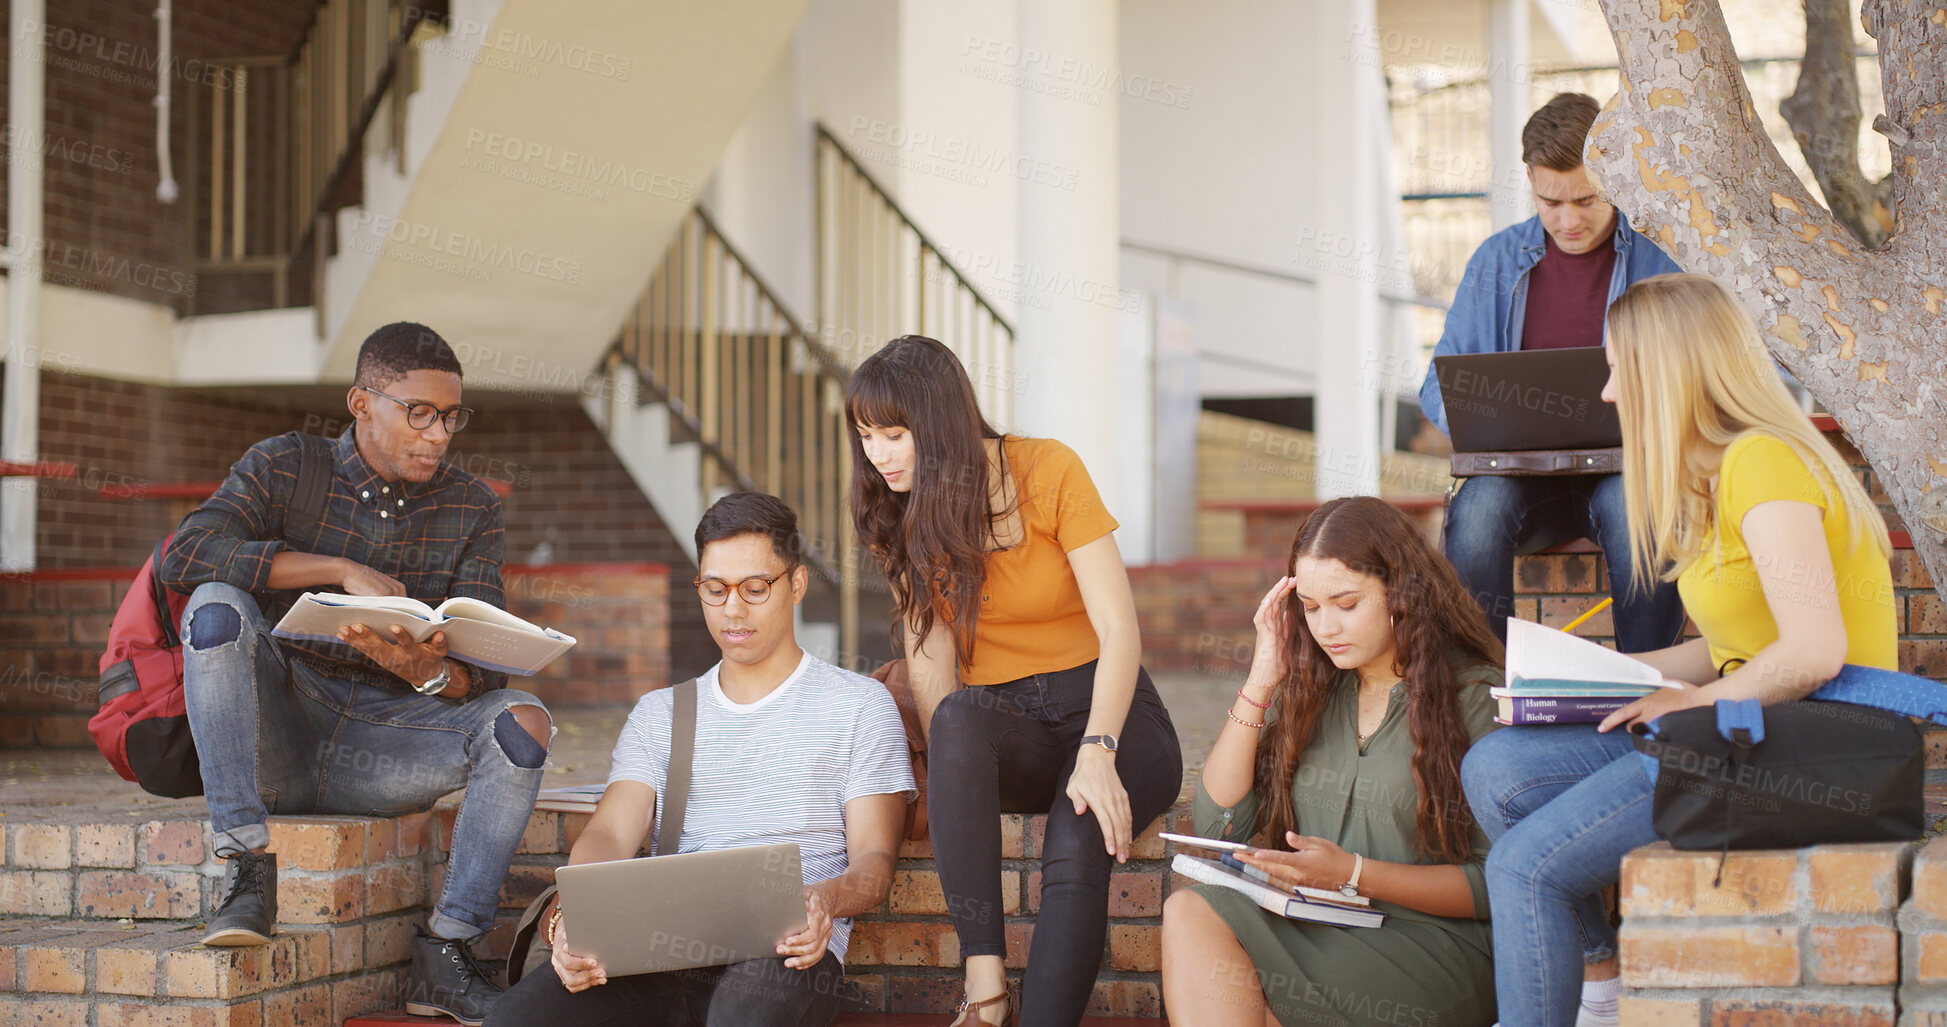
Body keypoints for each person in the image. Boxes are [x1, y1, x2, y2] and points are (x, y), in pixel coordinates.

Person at [1460, 273, 1897, 1027]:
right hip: (1749, 727)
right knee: (1495, 765)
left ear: (1666, 372)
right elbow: (1733, 649)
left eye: (1615, 368)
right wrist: (1595, 672)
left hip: (1808, 749)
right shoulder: (1716, 474)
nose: (1604, 393)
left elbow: (1815, 650)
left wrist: (1687, 704)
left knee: (1523, 866)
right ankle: (1597, 985)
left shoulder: (1763, 461)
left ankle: (1584, 997)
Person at [160, 322, 552, 1026]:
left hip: (391, 738)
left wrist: (424, 670)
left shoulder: (472, 506)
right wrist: (337, 570)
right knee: (217, 604)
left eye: (450, 416)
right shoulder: (287, 464)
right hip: (275, 727)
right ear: (361, 402)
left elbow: (481, 671)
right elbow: (187, 553)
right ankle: (248, 866)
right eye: (419, 412)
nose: (438, 434)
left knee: (521, 720)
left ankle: (448, 950)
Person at [846, 335, 1183, 1027]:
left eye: (893, 433)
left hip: (1111, 712)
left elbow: (1120, 629)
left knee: (1075, 833)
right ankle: (986, 988)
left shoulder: (1047, 469)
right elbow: (934, 667)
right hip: (1014, 727)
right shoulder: (902, 513)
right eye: (865, 436)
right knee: (959, 718)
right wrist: (958, 769)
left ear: (937, 422)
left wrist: (1099, 747)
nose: (877, 455)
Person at [488, 491, 915, 1027]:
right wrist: (579, 921)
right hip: (658, 953)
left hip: (786, 957)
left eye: (755, 589)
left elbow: (875, 863)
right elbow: (610, 836)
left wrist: (822, 902)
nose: (733, 608)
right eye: (715, 590)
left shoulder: (859, 706)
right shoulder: (661, 712)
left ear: (797, 584)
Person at [1160, 496, 1503, 1027]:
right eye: (1312, 608)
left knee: (1249, 1002)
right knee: (1191, 911)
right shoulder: (1318, 692)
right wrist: (1262, 678)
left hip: (1432, 946)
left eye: (1347, 604)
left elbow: (1499, 881)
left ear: (1402, 592)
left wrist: (1356, 873)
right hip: (1323, 928)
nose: (1326, 628)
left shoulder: (1475, 698)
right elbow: (1221, 820)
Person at [1417, 91, 1685, 652]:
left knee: (1641, 514)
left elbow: (1701, 369)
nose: (1568, 220)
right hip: (1519, 477)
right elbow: (1438, 387)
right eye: (1550, 202)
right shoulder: (1496, 259)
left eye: (1586, 200)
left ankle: (1650, 694)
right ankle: (1485, 693)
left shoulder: (1660, 258)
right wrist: (1479, 422)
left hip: (1624, 471)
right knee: (1477, 515)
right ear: (1531, 184)